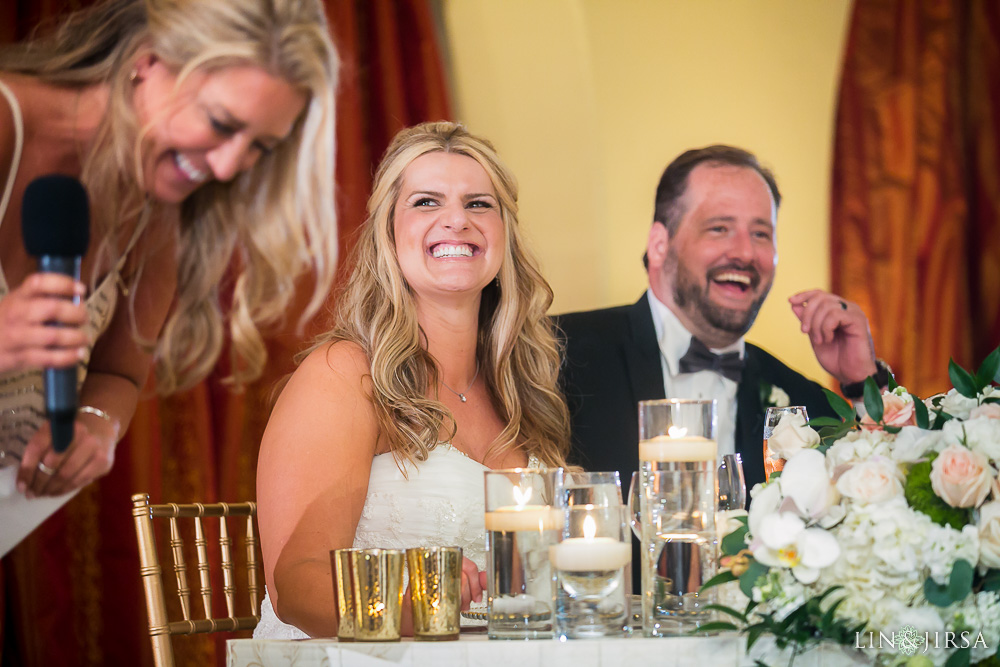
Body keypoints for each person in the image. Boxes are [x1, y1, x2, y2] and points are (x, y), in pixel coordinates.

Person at [0, 0, 339, 554]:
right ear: (149, 60)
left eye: (260, 146)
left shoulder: (158, 208)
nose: (229, 166)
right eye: (221, 123)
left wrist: (97, 423)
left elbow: (119, 375)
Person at [255, 121, 572, 639]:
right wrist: (417, 604)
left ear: (504, 233)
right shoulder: (345, 375)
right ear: (389, 232)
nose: (457, 221)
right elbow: (294, 588)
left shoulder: (522, 390)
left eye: (478, 204)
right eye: (426, 202)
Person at [557, 144, 887, 499]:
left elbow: (882, 503)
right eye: (719, 228)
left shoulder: (801, 402)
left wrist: (862, 382)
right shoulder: (558, 353)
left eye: (761, 233)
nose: (745, 252)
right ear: (659, 244)